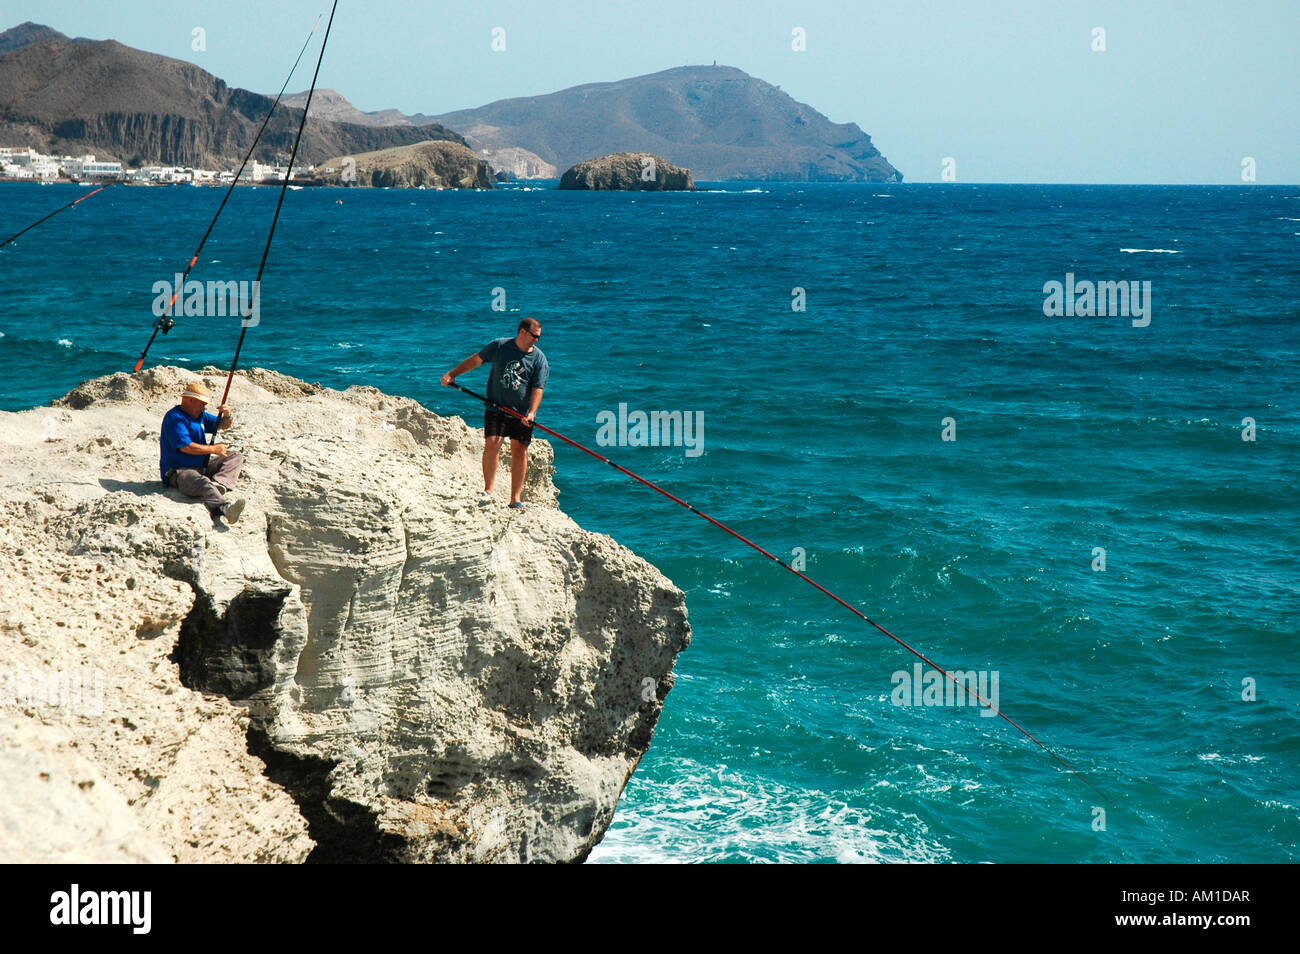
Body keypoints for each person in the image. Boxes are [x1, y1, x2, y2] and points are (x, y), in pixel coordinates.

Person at [441, 317, 548, 509]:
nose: (537, 340)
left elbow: (538, 388)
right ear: (522, 332)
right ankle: (488, 491)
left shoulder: (539, 359)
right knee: (492, 444)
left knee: (520, 451)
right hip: (496, 407)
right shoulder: (500, 346)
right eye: (534, 336)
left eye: (539, 337)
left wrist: (532, 413)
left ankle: (515, 499)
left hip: (522, 414)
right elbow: (476, 360)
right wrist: (453, 374)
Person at [159, 381, 246, 525]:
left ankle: (219, 485)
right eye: (202, 403)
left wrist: (227, 416)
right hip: (179, 472)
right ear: (190, 401)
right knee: (202, 481)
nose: (204, 407)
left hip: (202, 466)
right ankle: (224, 508)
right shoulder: (175, 418)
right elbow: (185, 447)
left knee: (235, 456)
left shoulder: (200, 415)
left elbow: (221, 425)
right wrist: (213, 449)